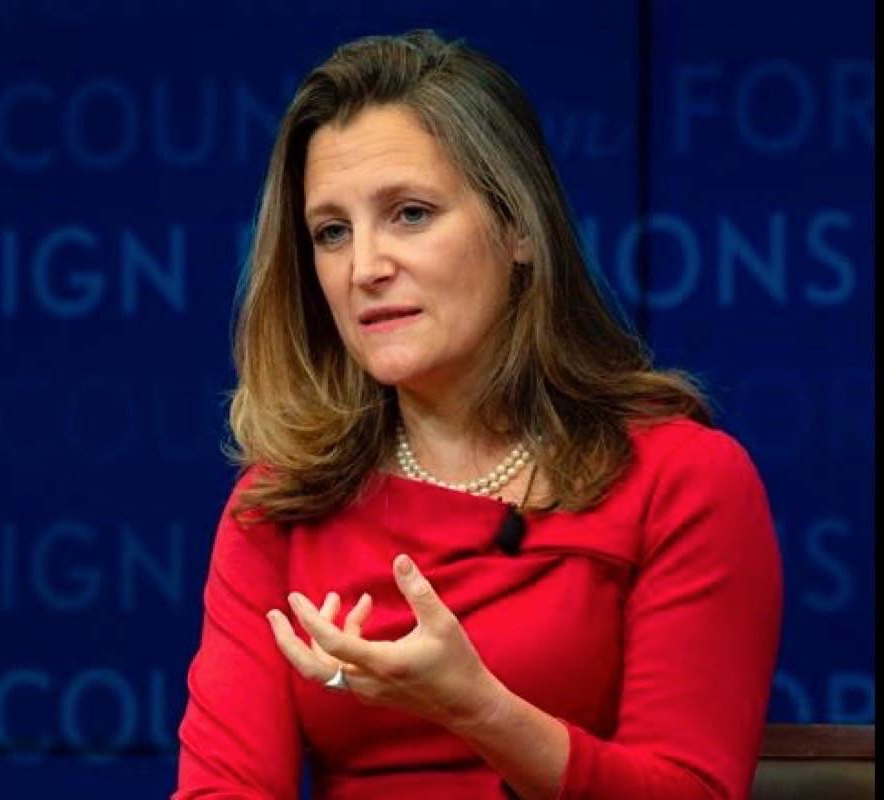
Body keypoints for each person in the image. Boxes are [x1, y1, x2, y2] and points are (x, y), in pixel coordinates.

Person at [173, 29, 782, 800]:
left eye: (411, 213)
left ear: (518, 227)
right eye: (332, 232)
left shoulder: (681, 480)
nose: (365, 268)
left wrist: (478, 708)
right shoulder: (280, 507)